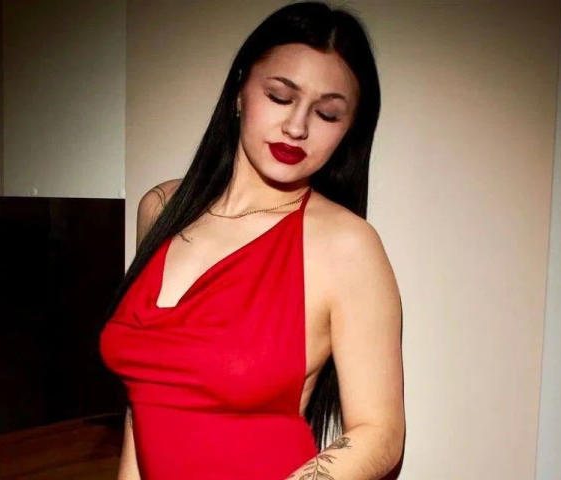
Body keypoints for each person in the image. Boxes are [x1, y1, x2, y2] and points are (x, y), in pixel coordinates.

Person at [99, 2, 404, 479]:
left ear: (349, 131)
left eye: (327, 114)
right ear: (240, 90)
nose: (297, 127)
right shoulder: (160, 208)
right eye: (280, 96)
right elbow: (144, 404)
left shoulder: (345, 244)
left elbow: (380, 432)